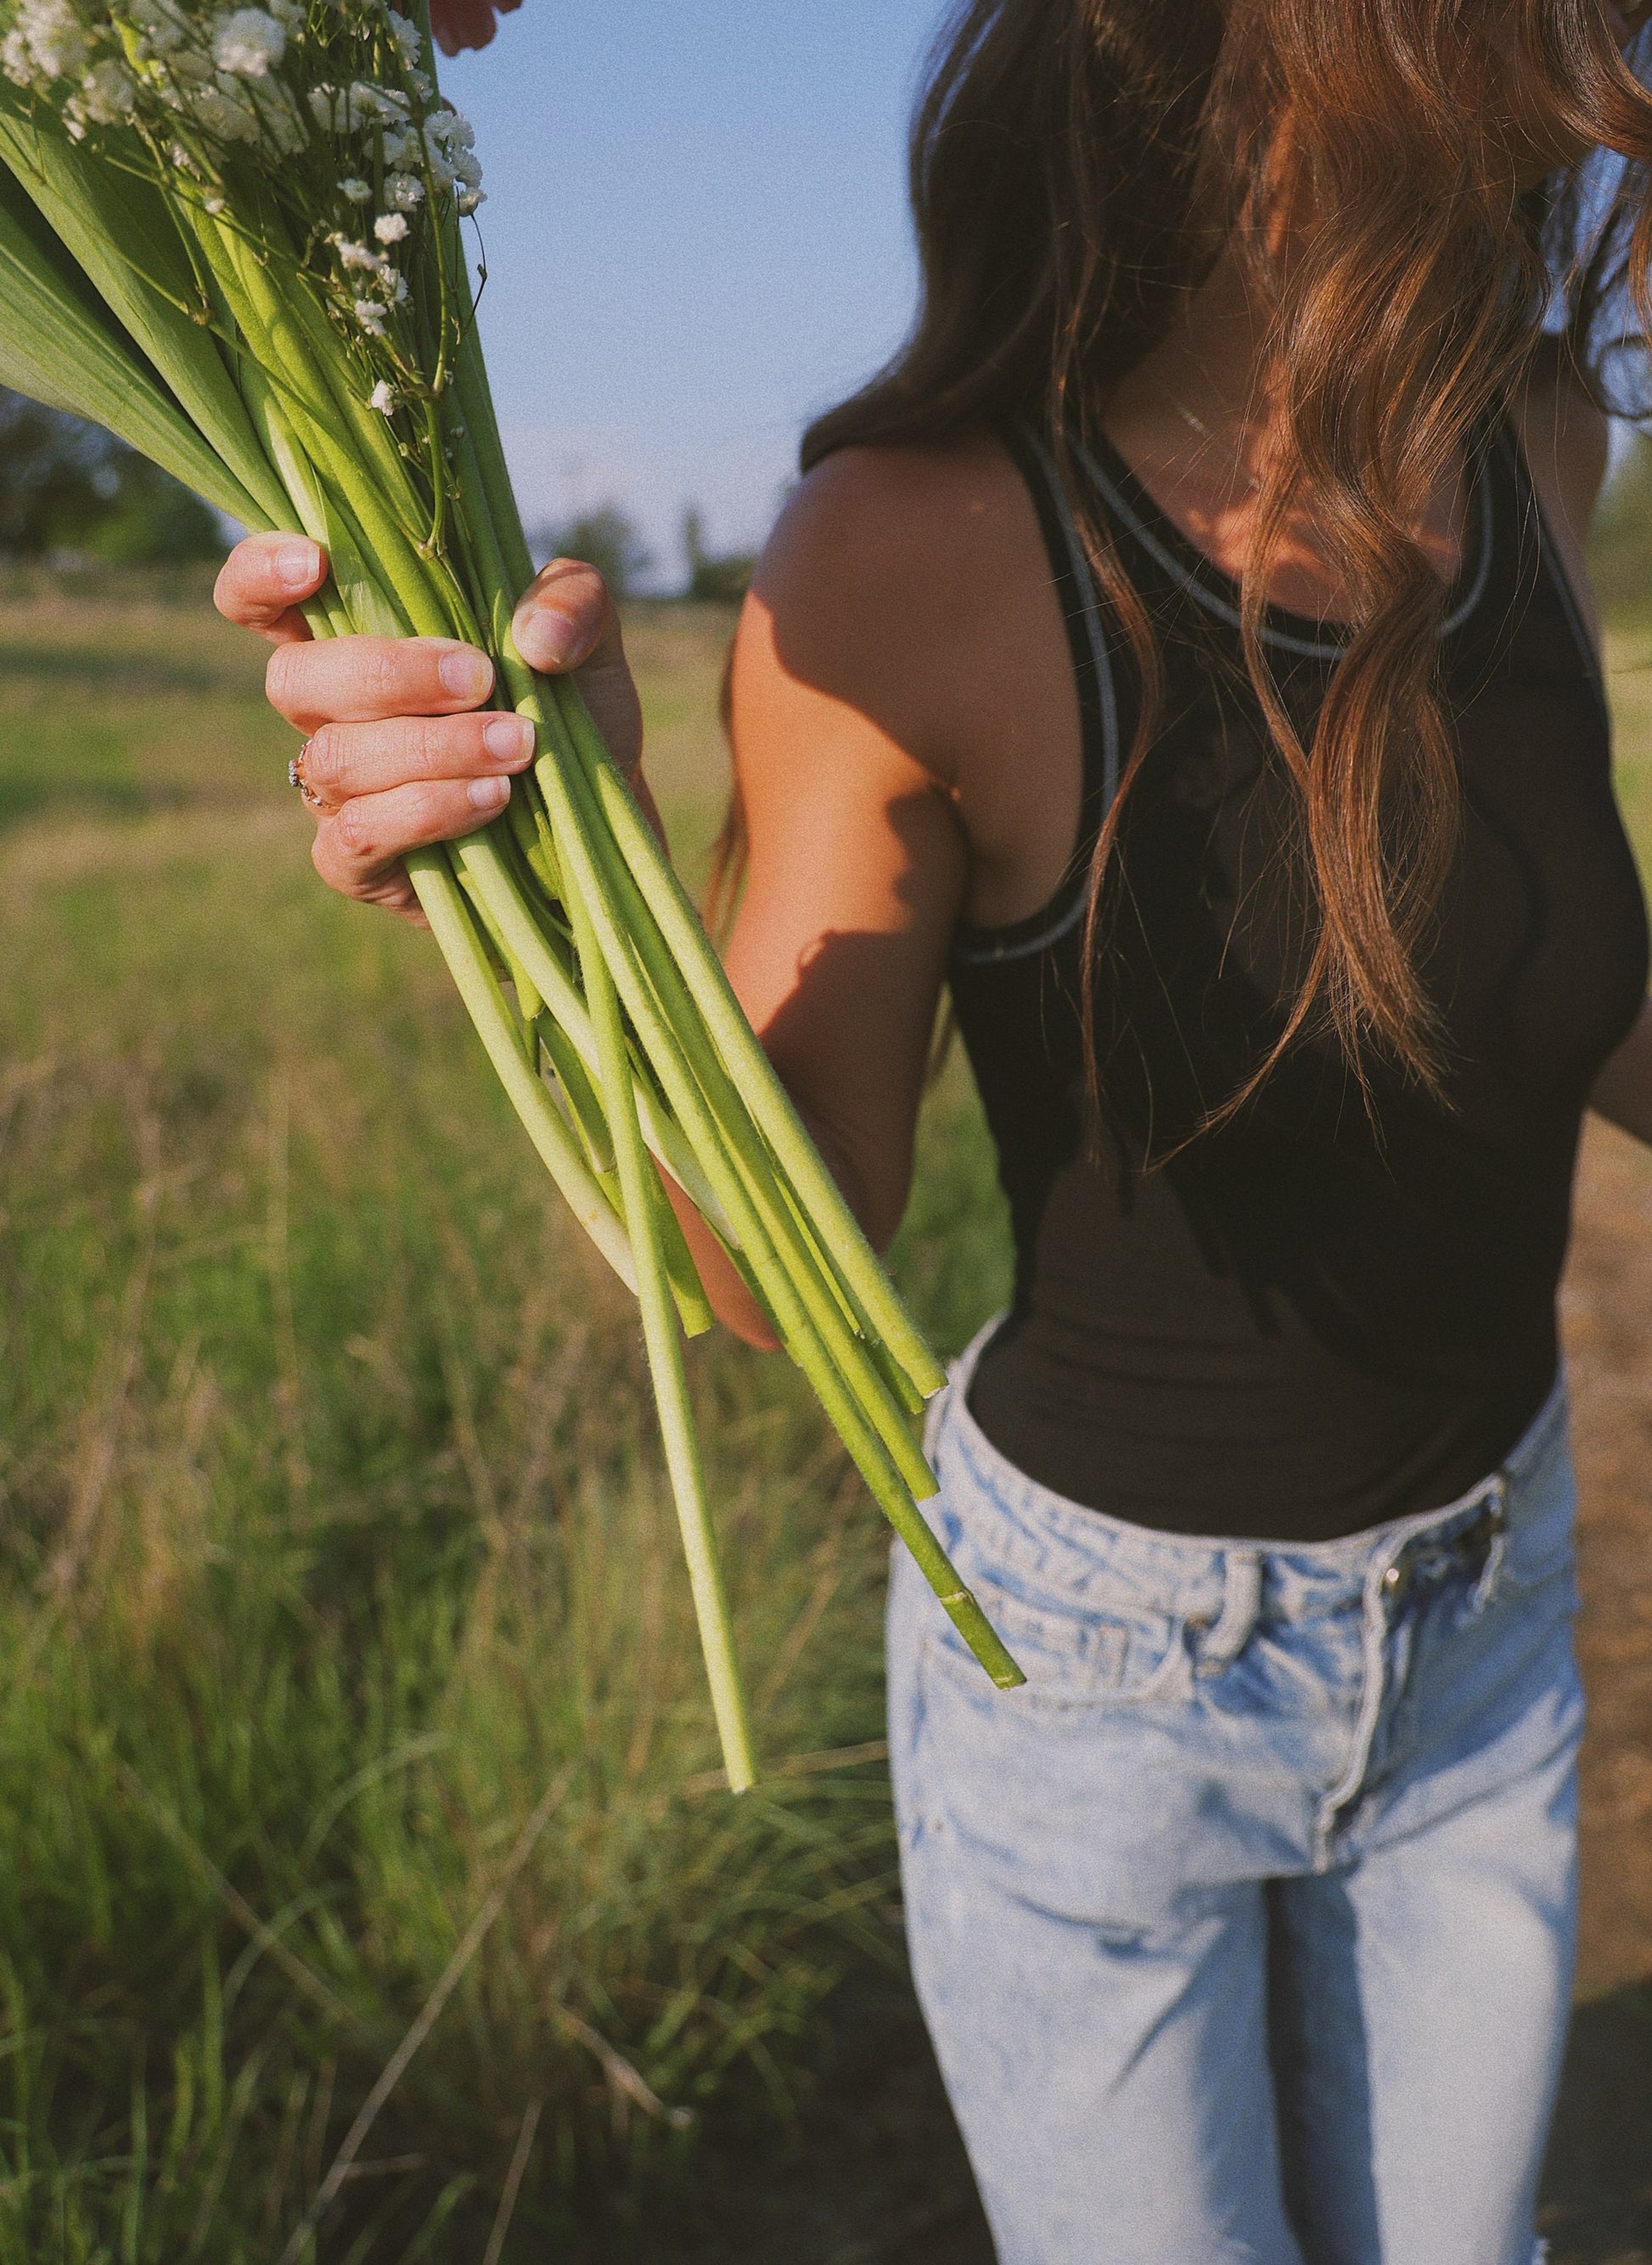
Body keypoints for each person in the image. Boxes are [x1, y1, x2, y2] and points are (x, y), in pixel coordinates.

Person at [216, 3, 1652, 2258]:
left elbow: (1541, 996)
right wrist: (556, 875)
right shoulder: (911, 553)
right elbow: (762, 1259)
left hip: (1482, 1626)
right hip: (1102, 1686)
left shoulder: (1534, 445)